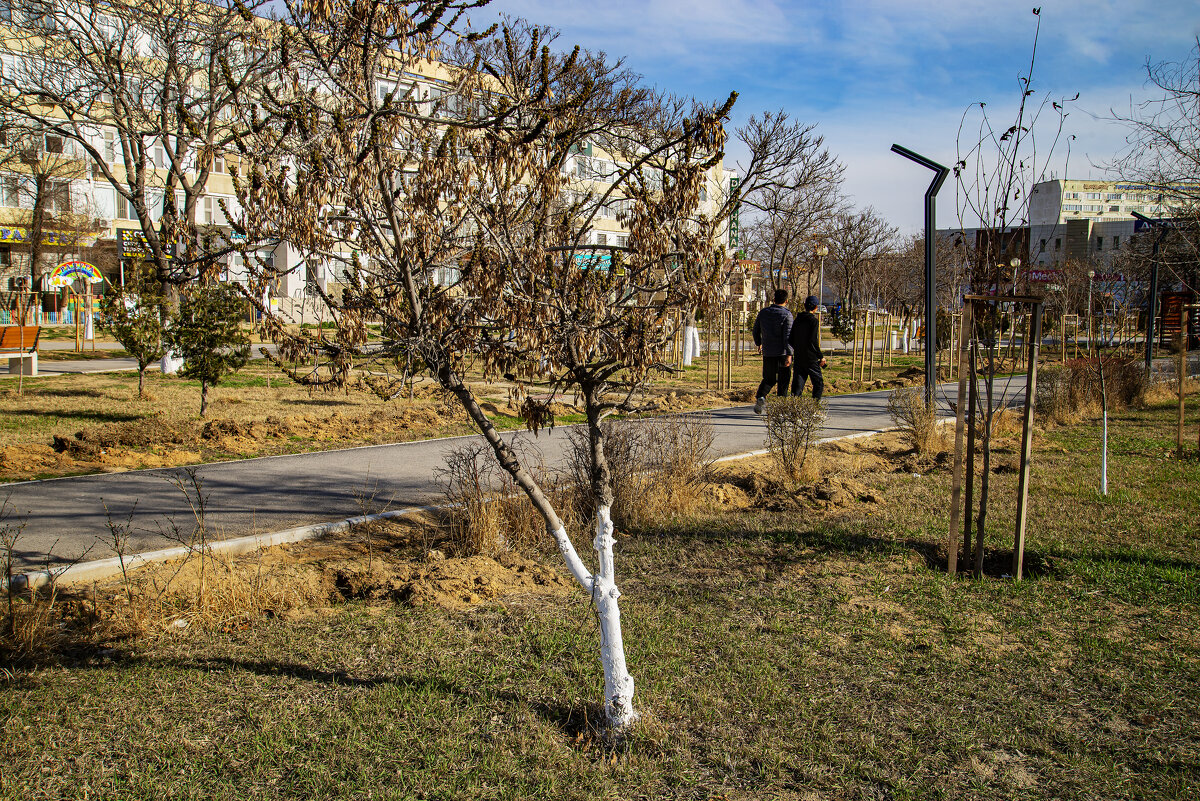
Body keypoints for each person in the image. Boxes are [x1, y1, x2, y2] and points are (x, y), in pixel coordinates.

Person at [752, 288, 793, 413]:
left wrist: (759, 343)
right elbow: (788, 336)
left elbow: (755, 330)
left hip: (768, 351)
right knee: (783, 380)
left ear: (773, 299)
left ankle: (761, 396)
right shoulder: (787, 315)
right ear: (786, 301)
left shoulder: (763, 313)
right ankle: (781, 408)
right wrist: (790, 353)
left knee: (769, 378)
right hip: (782, 352)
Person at [790, 295, 826, 400]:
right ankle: (815, 405)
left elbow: (791, 338)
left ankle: (795, 406)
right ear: (816, 307)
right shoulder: (813, 321)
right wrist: (820, 356)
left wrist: (798, 348)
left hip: (799, 356)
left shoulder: (797, 319)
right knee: (818, 382)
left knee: (798, 384)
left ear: (805, 305)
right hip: (811, 358)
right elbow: (813, 340)